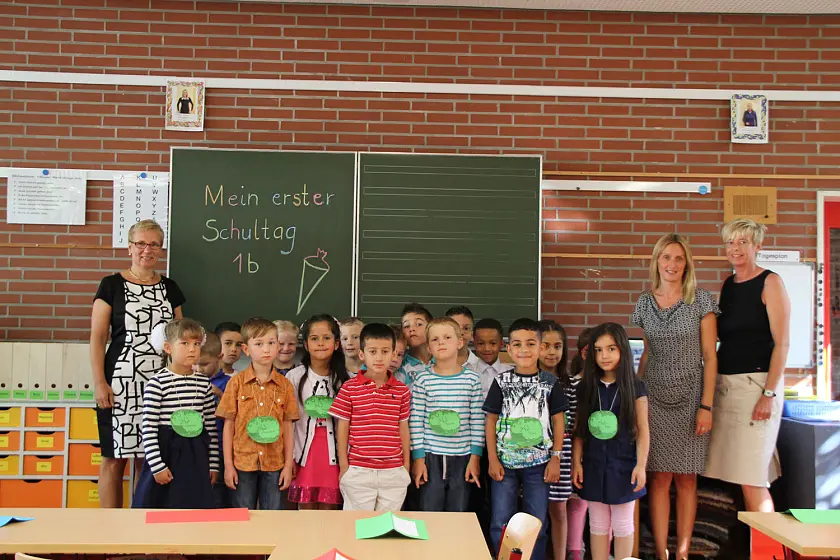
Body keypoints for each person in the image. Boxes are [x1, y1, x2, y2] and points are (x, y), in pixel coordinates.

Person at [632, 233, 719, 560]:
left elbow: (710, 357)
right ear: (657, 261)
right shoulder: (644, 302)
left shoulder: (702, 300)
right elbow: (646, 353)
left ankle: (682, 552)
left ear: (687, 264)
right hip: (654, 395)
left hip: (691, 397)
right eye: (666, 257)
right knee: (657, 478)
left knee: (686, 478)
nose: (671, 264)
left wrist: (706, 405)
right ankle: (662, 551)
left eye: (678, 258)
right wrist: (636, 396)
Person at [90, 219, 185, 508]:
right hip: (119, 382)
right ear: (130, 247)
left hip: (161, 383)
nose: (147, 250)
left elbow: (181, 338)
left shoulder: (170, 288)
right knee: (114, 457)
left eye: (154, 244)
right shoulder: (111, 285)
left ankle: (145, 529)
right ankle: (109, 534)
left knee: (151, 459)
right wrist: (99, 383)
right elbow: (97, 338)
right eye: (141, 243)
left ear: (161, 249)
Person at [705, 219, 791, 513]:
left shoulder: (771, 282)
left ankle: (768, 552)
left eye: (743, 242)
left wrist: (768, 394)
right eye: (730, 242)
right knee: (743, 479)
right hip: (727, 388)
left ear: (758, 245)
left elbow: (783, 345)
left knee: (754, 480)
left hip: (757, 388)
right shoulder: (728, 285)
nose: (735, 248)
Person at [483, 318, 569, 560]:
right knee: (500, 521)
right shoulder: (501, 382)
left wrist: (555, 459)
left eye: (531, 344)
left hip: (539, 465)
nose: (524, 350)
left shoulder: (550, 383)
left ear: (540, 348)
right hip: (505, 465)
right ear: (508, 350)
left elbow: (559, 421)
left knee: (537, 522)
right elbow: (490, 420)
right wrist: (492, 459)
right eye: (517, 344)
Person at [572, 323, 650, 560]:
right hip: (593, 464)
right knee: (597, 523)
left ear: (623, 351)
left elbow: (643, 429)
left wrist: (640, 465)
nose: (604, 356)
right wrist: (577, 463)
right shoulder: (586, 387)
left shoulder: (635, 387)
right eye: (598, 350)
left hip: (624, 465)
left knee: (623, 523)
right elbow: (579, 431)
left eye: (611, 349)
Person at [133, 319, 219, 509]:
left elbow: (210, 428)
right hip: (167, 453)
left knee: (193, 506)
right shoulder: (157, 383)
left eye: (197, 344)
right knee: (160, 505)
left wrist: (213, 464)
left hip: (195, 454)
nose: (192, 349)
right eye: (185, 343)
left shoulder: (203, 383)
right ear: (168, 348)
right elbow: (148, 428)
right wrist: (157, 466)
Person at [216, 318, 299, 510]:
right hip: (243, 463)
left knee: (274, 516)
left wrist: (288, 465)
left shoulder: (285, 385)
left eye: (271, 343)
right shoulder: (235, 383)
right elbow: (228, 426)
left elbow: (288, 426)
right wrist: (228, 466)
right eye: (259, 344)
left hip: (274, 464)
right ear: (246, 349)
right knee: (243, 516)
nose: (266, 349)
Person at [329, 323, 412, 511]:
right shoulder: (350, 388)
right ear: (362, 355)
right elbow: (343, 427)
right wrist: (344, 467)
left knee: (386, 529)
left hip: (393, 472)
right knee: (356, 527)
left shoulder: (402, 391)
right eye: (372, 351)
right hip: (359, 470)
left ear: (393, 354)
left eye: (385, 351)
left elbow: (403, 428)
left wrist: (405, 465)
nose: (379, 357)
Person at [409, 317, 483, 512]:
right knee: (429, 510)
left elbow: (477, 421)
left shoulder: (472, 380)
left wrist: (475, 458)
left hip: (463, 457)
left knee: (459, 511)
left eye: (447, 337)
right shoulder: (422, 380)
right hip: (430, 457)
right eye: (434, 339)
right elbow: (416, 421)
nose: (441, 342)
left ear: (460, 342)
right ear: (428, 348)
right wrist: (418, 459)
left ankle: (455, 544)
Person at [286, 315, 349, 509]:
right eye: (314, 338)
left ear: (337, 343)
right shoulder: (295, 377)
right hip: (304, 453)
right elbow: (288, 421)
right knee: (306, 507)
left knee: (329, 509)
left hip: (333, 454)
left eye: (326, 338)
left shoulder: (345, 379)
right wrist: (289, 460)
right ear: (305, 344)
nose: (320, 343)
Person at [538, 320, 574, 560]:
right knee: (534, 510)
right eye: (546, 345)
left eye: (557, 346)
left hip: (563, 454)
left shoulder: (570, 385)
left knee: (559, 509)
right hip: (532, 453)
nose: (552, 352)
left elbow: (574, 425)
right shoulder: (527, 381)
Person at [196, 331, 231, 508]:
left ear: (220, 357)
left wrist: (220, 395)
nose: (198, 369)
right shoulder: (189, 381)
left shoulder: (229, 383)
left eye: (204, 364)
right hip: (196, 447)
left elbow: (234, 416)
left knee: (218, 494)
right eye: (195, 364)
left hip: (219, 448)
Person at [567, 327, 591, 560]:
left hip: (607, 457)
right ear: (585, 353)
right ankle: (575, 551)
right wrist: (576, 460)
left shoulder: (619, 386)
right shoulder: (573, 386)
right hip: (579, 458)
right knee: (578, 504)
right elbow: (572, 428)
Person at [397, 303, 434, 388]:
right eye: (406, 326)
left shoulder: (442, 359)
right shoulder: (399, 363)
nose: (412, 329)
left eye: (418, 324)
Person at [473, 318, 508, 399]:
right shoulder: (467, 373)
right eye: (481, 343)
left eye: (493, 343)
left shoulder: (511, 374)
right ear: (474, 343)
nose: (487, 348)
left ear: (502, 344)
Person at [445, 306, 483, 372]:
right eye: (455, 328)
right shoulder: (433, 364)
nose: (461, 332)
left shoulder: (481, 366)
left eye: (466, 328)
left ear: (472, 334)